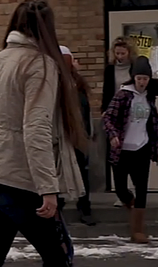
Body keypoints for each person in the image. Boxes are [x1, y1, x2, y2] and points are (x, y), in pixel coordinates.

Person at [0, 0, 86, 267]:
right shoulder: (39, 65)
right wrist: (48, 188)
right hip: (15, 175)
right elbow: (36, 128)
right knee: (58, 257)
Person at [102, 56, 158, 244]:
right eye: (139, 79)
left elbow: (152, 123)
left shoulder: (150, 96)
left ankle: (137, 230)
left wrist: (153, 144)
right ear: (133, 78)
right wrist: (113, 135)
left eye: (145, 79)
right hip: (122, 149)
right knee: (120, 188)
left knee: (142, 187)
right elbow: (107, 118)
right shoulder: (123, 95)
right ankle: (131, 203)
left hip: (141, 148)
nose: (142, 82)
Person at [60, 45, 96, 227]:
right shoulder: (53, 82)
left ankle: (84, 206)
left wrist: (88, 132)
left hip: (78, 134)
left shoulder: (78, 83)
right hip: (60, 135)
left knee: (82, 171)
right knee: (59, 172)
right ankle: (58, 205)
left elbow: (86, 108)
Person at [102, 36, 137, 207]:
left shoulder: (135, 68)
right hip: (115, 114)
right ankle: (121, 192)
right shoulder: (110, 70)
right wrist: (104, 110)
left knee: (132, 151)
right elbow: (106, 91)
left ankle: (134, 189)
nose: (120, 56)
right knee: (116, 154)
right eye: (117, 53)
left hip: (132, 114)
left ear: (129, 53)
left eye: (123, 53)